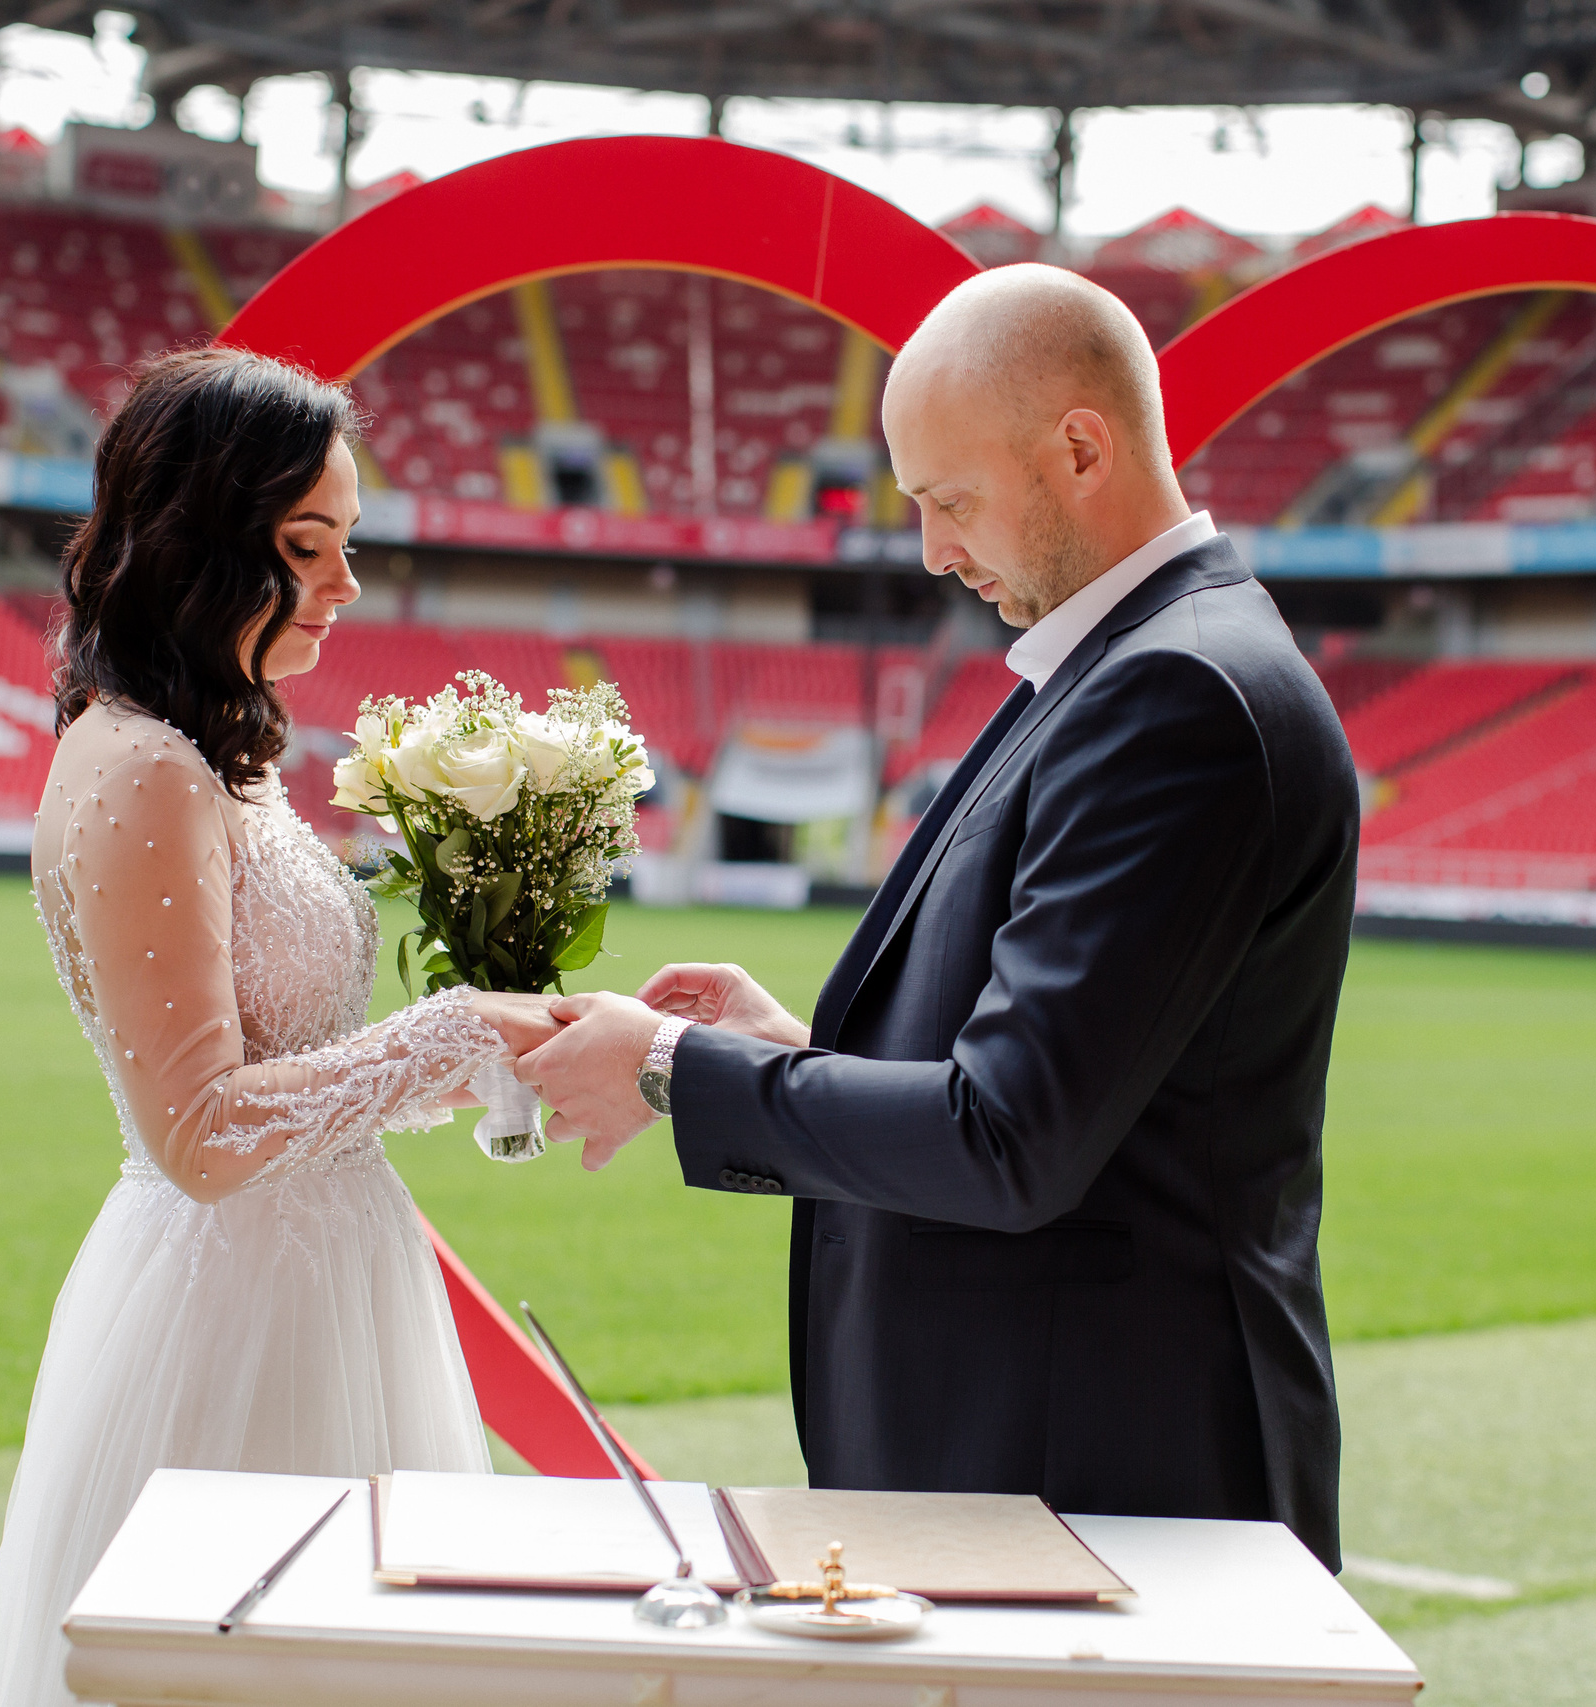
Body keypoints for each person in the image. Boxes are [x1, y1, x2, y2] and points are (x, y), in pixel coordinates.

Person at [513, 264, 1359, 1568]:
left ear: (1083, 448)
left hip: (1099, 1480)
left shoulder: (1174, 696)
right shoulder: (1121, 667)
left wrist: (677, 1070)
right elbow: (1061, 1083)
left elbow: (1011, 1137)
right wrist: (789, 1053)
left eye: (951, 501)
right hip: (1049, 1458)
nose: (933, 550)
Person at [0, 348, 556, 1706]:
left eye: (345, 543)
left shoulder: (219, 754)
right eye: (308, 546)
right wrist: (451, 1033)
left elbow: (290, 1065)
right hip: (230, 1313)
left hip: (335, 1271)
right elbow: (204, 1131)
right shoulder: (143, 771)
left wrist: (480, 1042)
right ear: (201, 544)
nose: (346, 585)